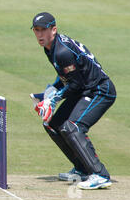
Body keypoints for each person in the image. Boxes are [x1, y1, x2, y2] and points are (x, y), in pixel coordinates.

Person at [31, 12, 116, 190]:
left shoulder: (62, 51)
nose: (39, 35)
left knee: (73, 127)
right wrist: (50, 92)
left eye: (43, 30)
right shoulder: (50, 47)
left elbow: (76, 84)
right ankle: (82, 169)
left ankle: (100, 175)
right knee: (53, 124)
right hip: (85, 89)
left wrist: (54, 99)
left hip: (99, 90)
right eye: (36, 30)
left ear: (53, 30)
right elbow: (66, 75)